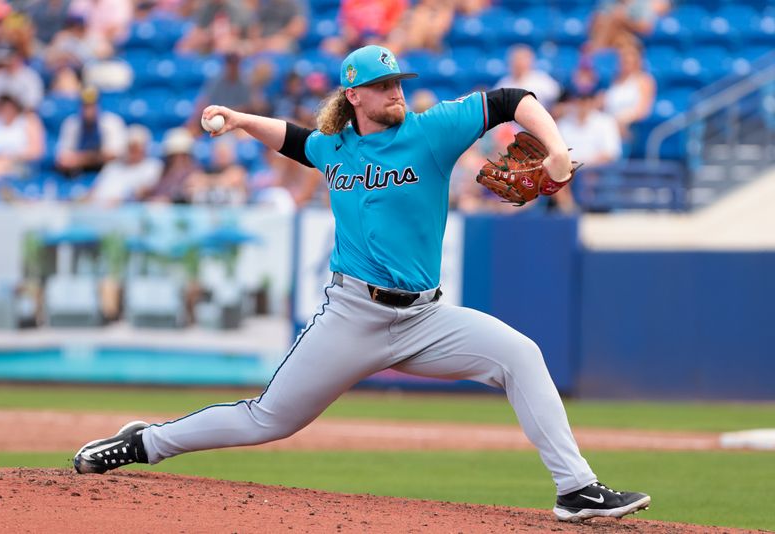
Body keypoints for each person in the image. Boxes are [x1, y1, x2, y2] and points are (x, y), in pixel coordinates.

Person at [73, 45, 650, 523]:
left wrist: (552, 148)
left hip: (426, 318)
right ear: (354, 96)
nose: (395, 91)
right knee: (268, 419)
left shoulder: (431, 132)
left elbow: (510, 101)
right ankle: (146, 442)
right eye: (381, 85)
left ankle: (576, 489)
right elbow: (296, 140)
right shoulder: (337, 148)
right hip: (353, 315)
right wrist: (244, 120)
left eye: (397, 81)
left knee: (520, 355)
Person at [55, 86, 126, 177]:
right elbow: (63, 160)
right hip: (76, 174)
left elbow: (114, 156)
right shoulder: (71, 124)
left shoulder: (111, 122)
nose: (89, 111)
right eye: (85, 106)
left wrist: (80, 159)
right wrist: (97, 157)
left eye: (92, 106)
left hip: (108, 174)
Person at [87, 124, 162, 205]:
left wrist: (121, 201)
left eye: (136, 146)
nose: (133, 151)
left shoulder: (152, 167)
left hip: (126, 212)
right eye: (130, 146)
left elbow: (143, 192)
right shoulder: (112, 166)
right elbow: (93, 192)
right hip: (96, 211)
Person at [0, 92, 44, 180]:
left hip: (19, 164)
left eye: (9, 105)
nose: (6, 109)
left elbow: (36, 152)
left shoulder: (29, 121)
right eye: (3, 105)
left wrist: (9, 156)